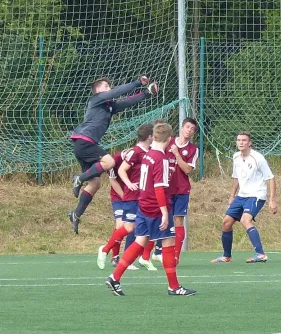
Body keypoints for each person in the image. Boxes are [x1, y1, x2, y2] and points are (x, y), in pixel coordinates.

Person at [106, 123, 197, 296]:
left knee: (140, 241)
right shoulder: (160, 159)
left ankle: (114, 277)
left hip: (143, 203)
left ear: (153, 138)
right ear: (170, 139)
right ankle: (174, 286)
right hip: (156, 207)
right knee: (168, 241)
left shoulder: (147, 156)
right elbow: (159, 188)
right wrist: (164, 212)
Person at [68, 76, 158, 233]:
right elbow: (117, 92)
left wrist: (147, 93)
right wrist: (138, 82)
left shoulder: (108, 106)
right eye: (106, 86)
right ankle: (79, 179)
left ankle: (75, 214)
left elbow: (127, 102)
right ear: (98, 89)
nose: (109, 88)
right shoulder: (96, 99)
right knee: (109, 162)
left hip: (85, 145)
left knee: (95, 184)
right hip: (85, 141)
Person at [211, 131, 277, 264]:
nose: (241, 142)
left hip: (256, 195)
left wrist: (272, 200)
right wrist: (232, 196)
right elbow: (236, 178)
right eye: (239, 140)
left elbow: (271, 178)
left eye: (244, 140)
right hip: (241, 196)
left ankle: (260, 254)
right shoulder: (236, 157)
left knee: (245, 220)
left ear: (249, 143)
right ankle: (226, 256)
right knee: (226, 222)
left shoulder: (258, 158)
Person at [97, 123, 156, 271]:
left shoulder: (149, 152)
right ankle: (107, 250)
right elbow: (121, 172)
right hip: (130, 196)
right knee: (127, 227)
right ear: (150, 137)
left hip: (142, 196)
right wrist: (129, 184)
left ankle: (137, 258)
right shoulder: (133, 153)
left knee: (141, 228)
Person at [166, 117, 199, 264]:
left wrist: (177, 154)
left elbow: (187, 169)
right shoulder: (167, 141)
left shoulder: (193, 149)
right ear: (182, 127)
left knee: (178, 220)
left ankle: (175, 256)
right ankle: (151, 254)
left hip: (181, 189)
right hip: (165, 187)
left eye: (192, 129)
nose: (189, 131)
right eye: (187, 127)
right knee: (161, 220)